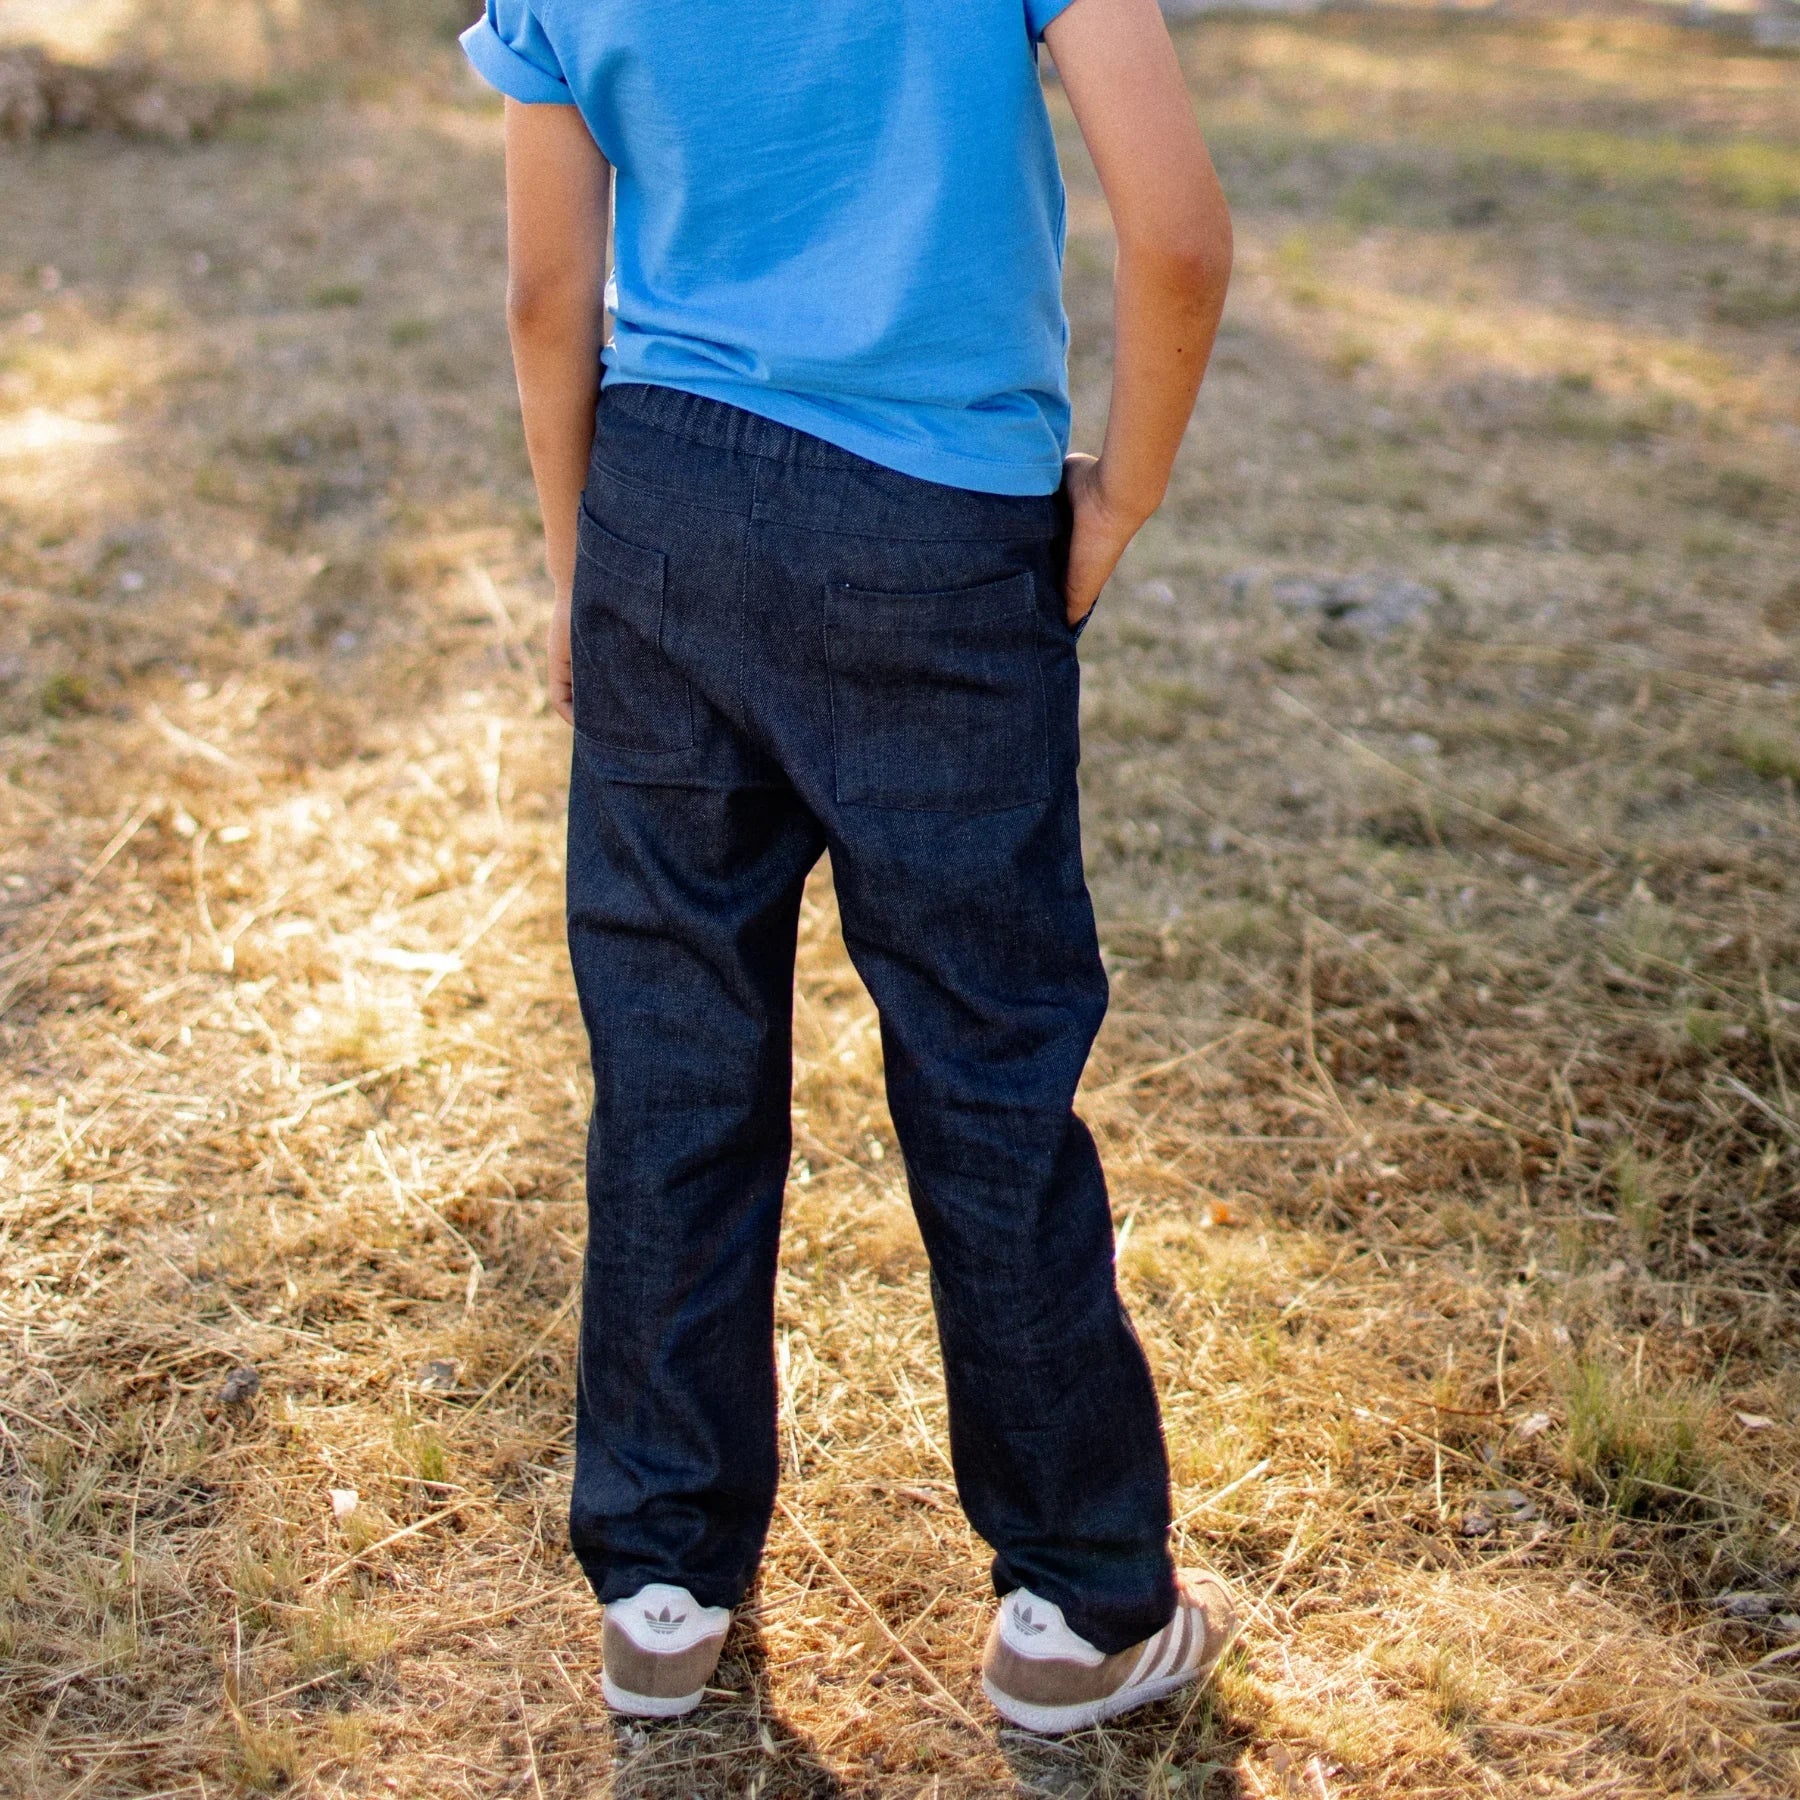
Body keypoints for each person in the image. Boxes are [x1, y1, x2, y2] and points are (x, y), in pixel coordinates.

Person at [462, 0, 1234, 1736]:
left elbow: (540, 296)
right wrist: (1124, 496)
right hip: (937, 531)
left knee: (671, 1069)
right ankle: (1077, 1605)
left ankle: (660, 1582)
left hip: (662, 504)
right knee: (989, 1069)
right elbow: (1178, 232)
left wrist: (581, 563)